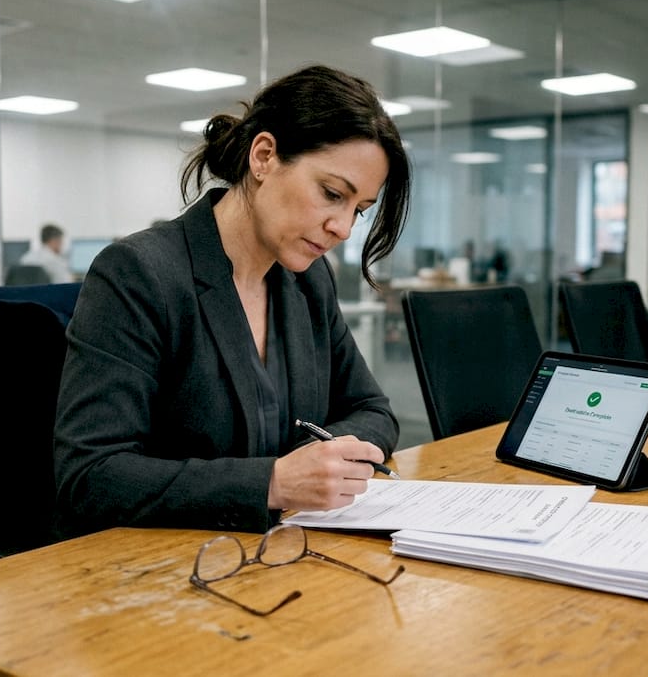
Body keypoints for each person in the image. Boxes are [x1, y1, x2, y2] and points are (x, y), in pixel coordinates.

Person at [53, 65, 411, 536]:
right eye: (331, 194)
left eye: (358, 211)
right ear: (263, 156)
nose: (343, 228)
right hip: (162, 568)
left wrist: (328, 463)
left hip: (280, 551)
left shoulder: (306, 281)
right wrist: (272, 483)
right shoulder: (140, 273)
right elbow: (91, 477)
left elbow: (373, 410)